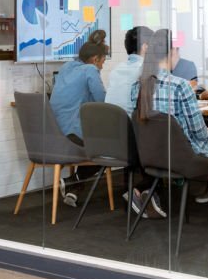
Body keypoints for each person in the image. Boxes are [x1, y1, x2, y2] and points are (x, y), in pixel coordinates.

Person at [133, 30, 208, 225]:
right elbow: (198, 131)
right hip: (183, 160)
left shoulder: (139, 85)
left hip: (153, 158)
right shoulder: (180, 85)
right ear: (172, 52)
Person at [104, 26, 165, 219]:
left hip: (112, 140)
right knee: (167, 135)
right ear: (146, 47)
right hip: (135, 142)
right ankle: (144, 190)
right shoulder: (146, 70)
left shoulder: (115, 71)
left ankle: (141, 191)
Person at [49, 36, 108, 206]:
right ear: (95, 59)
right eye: (103, 62)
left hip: (56, 135)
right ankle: (74, 180)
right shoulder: (90, 70)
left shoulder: (66, 67)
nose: (102, 66)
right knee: (113, 148)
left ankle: (74, 188)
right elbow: (101, 100)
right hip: (74, 136)